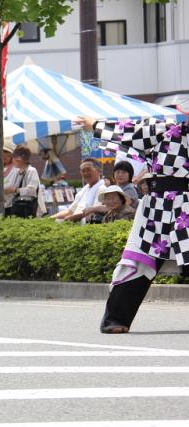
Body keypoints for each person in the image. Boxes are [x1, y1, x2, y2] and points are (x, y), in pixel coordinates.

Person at [77, 114, 189, 334]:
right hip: (160, 206)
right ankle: (116, 318)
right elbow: (129, 131)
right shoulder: (167, 128)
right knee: (139, 260)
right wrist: (97, 125)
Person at [50, 158, 104, 223]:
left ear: (99, 171)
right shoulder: (84, 190)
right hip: (73, 223)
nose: (86, 173)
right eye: (83, 171)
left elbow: (93, 212)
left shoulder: (102, 189)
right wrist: (50, 219)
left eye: (88, 170)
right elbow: (70, 211)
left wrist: (66, 220)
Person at [3, 145, 42, 218]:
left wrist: (14, 190)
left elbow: (32, 190)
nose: (12, 161)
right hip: (18, 208)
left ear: (19, 160)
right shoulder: (18, 171)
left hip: (28, 209)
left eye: (13, 158)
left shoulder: (31, 171)